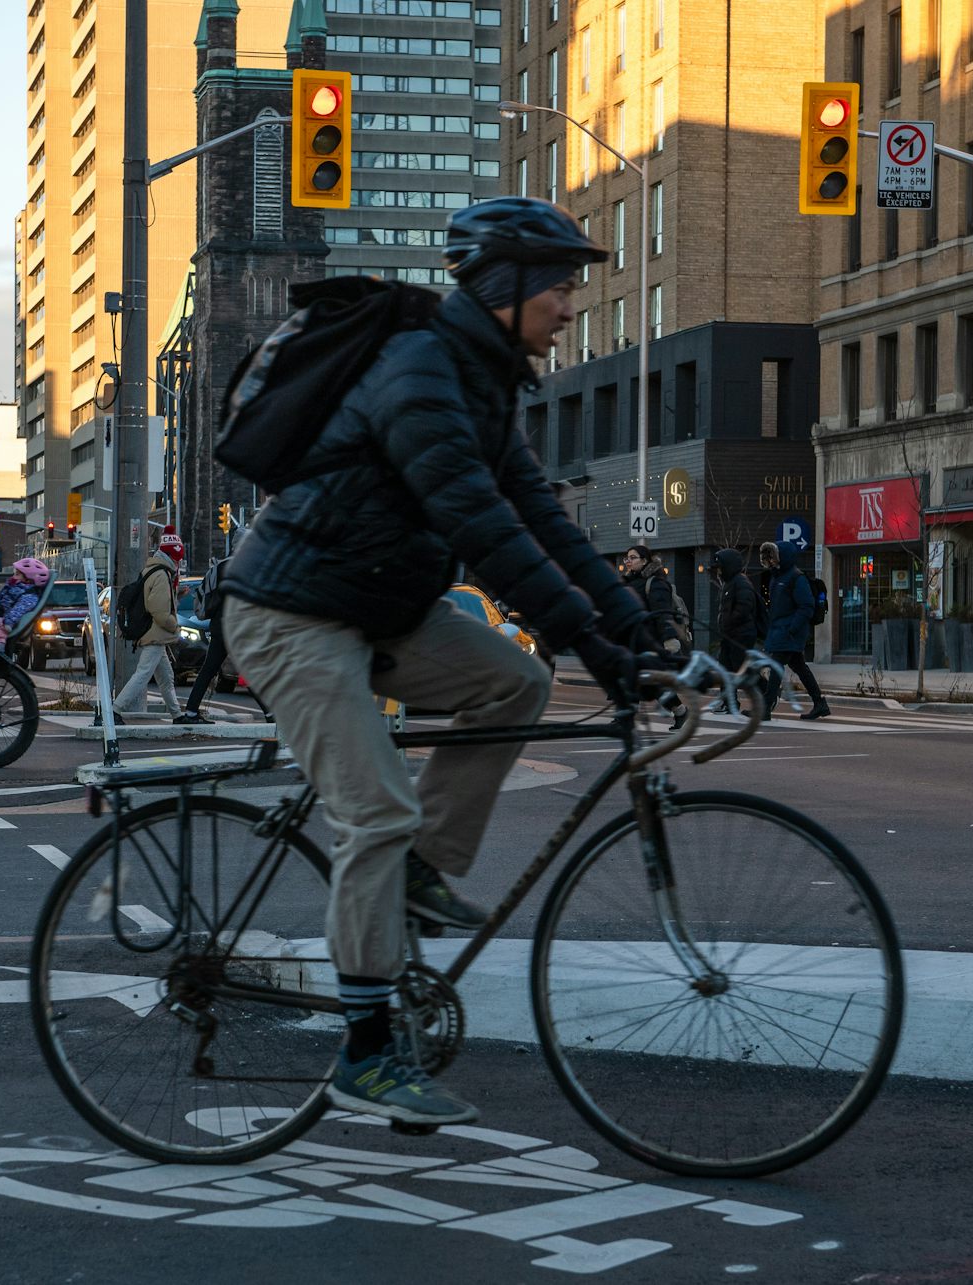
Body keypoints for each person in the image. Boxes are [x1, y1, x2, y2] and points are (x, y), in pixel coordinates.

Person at [219, 197, 652, 1127]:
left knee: (516, 679)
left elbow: (536, 513)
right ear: (509, 287)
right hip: (292, 614)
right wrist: (591, 639)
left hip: (375, 606)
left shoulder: (484, 378)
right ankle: (366, 1053)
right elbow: (477, 522)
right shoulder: (417, 369)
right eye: (562, 286)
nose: (571, 305)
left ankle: (419, 871)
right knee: (374, 810)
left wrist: (638, 633)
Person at [172, 536, 271, 726]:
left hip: (219, 626)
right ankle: (270, 715)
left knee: (208, 670)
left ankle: (191, 711)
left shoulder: (220, 567)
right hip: (239, 627)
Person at [112, 528, 183, 721]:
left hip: (154, 635)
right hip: (155, 634)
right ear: (171, 555)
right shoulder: (162, 574)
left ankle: (176, 714)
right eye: (177, 558)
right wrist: (175, 626)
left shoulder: (152, 570)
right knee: (142, 675)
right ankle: (115, 710)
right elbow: (159, 611)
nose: (179, 563)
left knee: (166, 678)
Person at [759, 540, 832, 720]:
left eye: (773, 556)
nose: (771, 560)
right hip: (782, 631)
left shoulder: (795, 578)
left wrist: (792, 629)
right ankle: (820, 703)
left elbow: (806, 605)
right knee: (800, 667)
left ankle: (765, 707)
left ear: (782, 557)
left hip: (789, 632)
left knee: (776, 667)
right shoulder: (778, 577)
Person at [622, 545, 687, 729]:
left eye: (633, 557)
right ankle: (626, 718)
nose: (628, 561)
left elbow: (662, 614)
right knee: (631, 679)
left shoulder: (655, 583)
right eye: (627, 558)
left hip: (650, 641)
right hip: (633, 640)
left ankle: (680, 711)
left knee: (654, 683)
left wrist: (669, 640)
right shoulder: (628, 582)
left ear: (644, 560)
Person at [709, 548, 764, 715]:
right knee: (725, 668)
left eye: (720, 567)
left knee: (741, 669)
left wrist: (729, 623)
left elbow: (744, 607)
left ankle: (766, 692)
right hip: (730, 634)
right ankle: (728, 702)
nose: (718, 571)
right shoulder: (730, 583)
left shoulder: (741, 583)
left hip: (741, 635)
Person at [0, 557, 51, 653]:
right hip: (4, 618)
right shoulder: (12, 589)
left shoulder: (29, 596)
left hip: (10, 623)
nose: (13, 576)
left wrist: (9, 621)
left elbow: (19, 610)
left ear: (28, 579)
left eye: (17, 574)